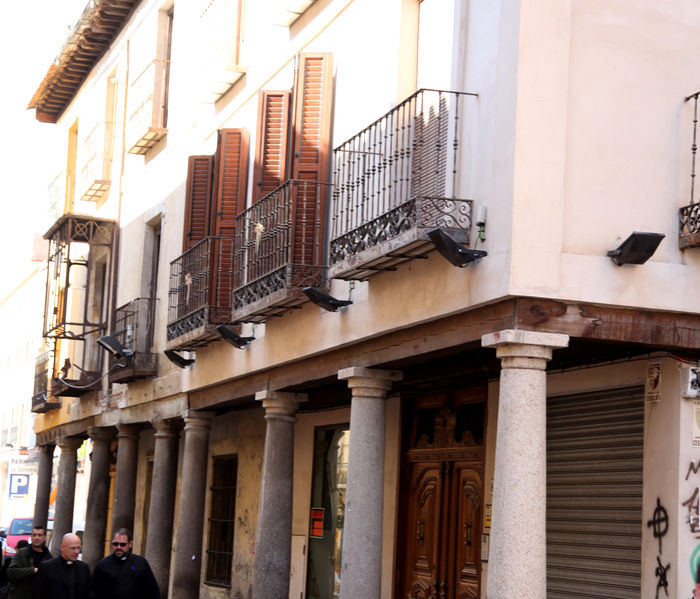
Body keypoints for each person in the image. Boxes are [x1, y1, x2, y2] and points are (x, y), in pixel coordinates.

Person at [91, 529, 158, 599]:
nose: (118, 547)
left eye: (122, 544)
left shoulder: (141, 563)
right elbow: (94, 592)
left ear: (130, 544)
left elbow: (153, 590)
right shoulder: (102, 565)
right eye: (115, 544)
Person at [32, 533, 91, 599]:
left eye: (79, 548)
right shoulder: (47, 567)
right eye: (73, 548)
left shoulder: (84, 568)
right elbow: (37, 594)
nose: (77, 551)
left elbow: (89, 593)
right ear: (62, 547)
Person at [8, 527, 51, 599]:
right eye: (34, 535)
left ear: (44, 538)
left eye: (40, 535)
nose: (37, 537)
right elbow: (11, 572)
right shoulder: (22, 553)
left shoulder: (48, 557)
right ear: (31, 537)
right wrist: (32, 570)